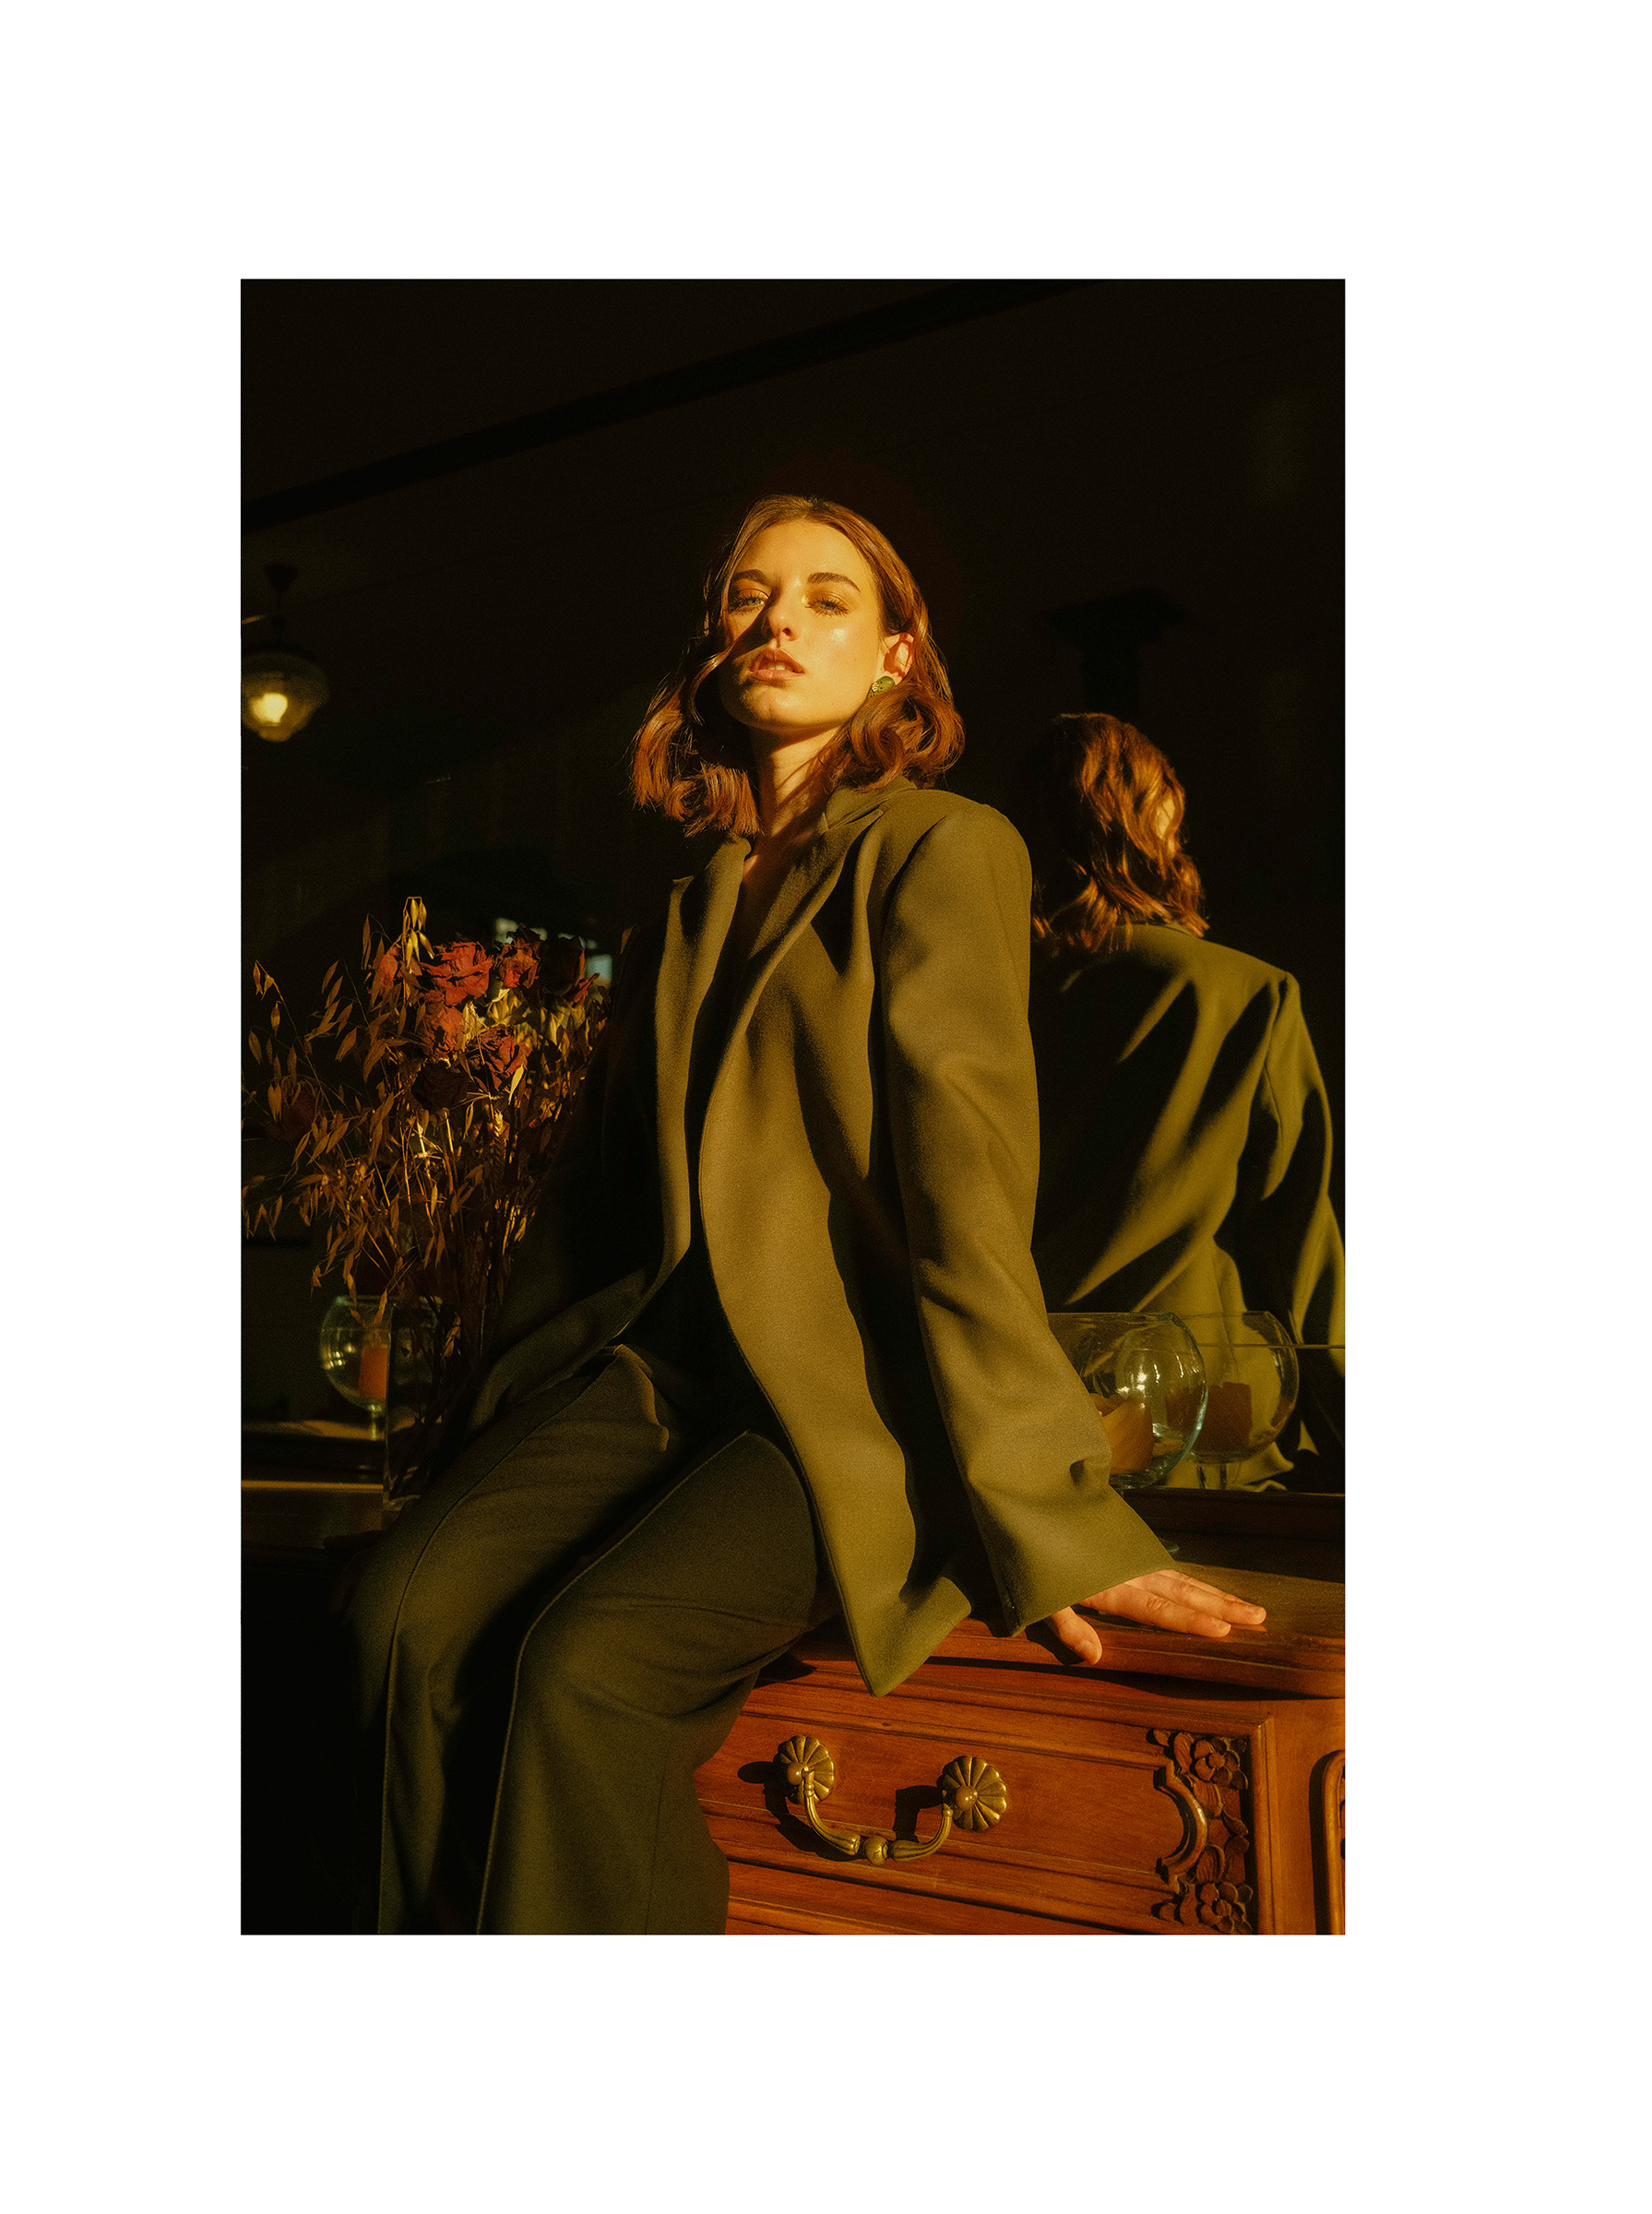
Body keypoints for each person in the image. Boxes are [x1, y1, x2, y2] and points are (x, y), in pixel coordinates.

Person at [345, 499, 1264, 1934]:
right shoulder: (685, 905)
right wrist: (491, 1438)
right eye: (747, 596)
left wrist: (1050, 1509)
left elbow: (963, 1185)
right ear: (711, 651)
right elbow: (593, 1217)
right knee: (395, 1618)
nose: (779, 619)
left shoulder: (946, 847)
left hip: (857, 1400)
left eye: (829, 599)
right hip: (655, 1377)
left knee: (587, 1665)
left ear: (898, 657)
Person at [1007, 713, 1345, 1487]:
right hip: (1198, 1422)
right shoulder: (1241, 994)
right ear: (1148, 822)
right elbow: (1297, 1247)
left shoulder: (969, 998)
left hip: (1015, 1412)